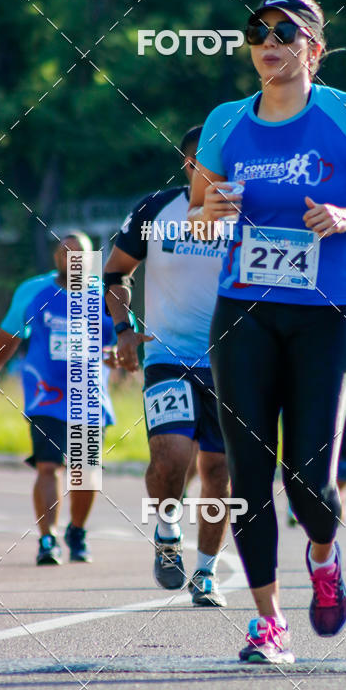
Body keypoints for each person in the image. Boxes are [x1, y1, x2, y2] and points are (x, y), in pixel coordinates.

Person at [190, 0, 346, 663]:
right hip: (243, 312)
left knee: (311, 480)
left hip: (326, 314)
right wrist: (210, 214)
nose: (268, 43)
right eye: (258, 32)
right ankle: (268, 621)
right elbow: (197, 215)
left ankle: (323, 553)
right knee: (248, 475)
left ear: (314, 47)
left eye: (284, 32)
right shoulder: (225, 120)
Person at [104, 127, 231, 607]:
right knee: (171, 457)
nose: (212, 169)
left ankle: (207, 572)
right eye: (201, 160)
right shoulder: (155, 210)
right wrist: (123, 329)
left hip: (232, 362)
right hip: (167, 355)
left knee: (219, 468)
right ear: (186, 163)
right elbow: (116, 271)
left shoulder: (248, 215)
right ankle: (167, 529)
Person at [0, 232, 115, 564]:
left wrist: (122, 354)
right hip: (45, 393)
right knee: (48, 465)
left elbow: (123, 338)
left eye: (79, 254)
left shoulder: (106, 295)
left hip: (88, 396)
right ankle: (47, 539)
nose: (72, 259)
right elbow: (9, 337)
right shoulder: (33, 291)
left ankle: (77, 531)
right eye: (65, 252)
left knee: (85, 470)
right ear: (55, 257)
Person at [286, 310, 346, 526]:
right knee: (307, 448)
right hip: (312, 395)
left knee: (345, 456)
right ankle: (300, 502)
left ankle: (335, 497)